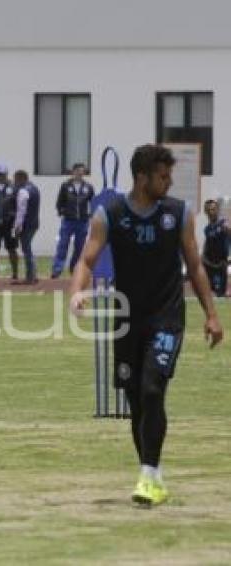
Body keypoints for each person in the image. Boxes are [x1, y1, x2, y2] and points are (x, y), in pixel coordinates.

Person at [69, 144, 222, 506]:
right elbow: (87, 260)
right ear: (142, 178)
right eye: (163, 177)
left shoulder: (178, 214)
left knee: (153, 389)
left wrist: (212, 315)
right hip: (126, 320)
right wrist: (76, 292)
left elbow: (195, 266)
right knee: (137, 400)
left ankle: (149, 475)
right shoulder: (111, 213)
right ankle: (150, 474)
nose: (169, 183)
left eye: (170, 176)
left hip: (166, 317)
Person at [53, 163, 95, 278]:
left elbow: (93, 203)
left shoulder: (88, 187)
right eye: (78, 171)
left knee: (80, 247)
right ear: (73, 172)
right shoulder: (65, 186)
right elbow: (60, 201)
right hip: (68, 221)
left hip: (82, 221)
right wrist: (61, 212)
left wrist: (91, 215)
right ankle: (57, 270)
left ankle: (74, 268)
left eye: (82, 172)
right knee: (63, 244)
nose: (80, 174)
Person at [12, 170, 41, 284]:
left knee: (26, 249)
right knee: (28, 248)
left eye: (15, 179)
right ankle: (34, 273)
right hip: (34, 223)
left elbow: (21, 211)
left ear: (21, 179)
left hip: (26, 224)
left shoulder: (23, 191)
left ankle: (30, 276)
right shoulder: (35, 188)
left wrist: (18, 226)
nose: (14, 182)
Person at [201, 199, 231, 297]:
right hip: (208, 264)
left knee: (220, 294)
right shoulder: (207, 229)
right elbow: (207, 244)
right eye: (209, 210)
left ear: (217, 210)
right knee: (207, 291)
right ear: (206, 212)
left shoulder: (223, 223)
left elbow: (229, 231)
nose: (211, 212)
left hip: (220, 264)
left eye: (213, 209)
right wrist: (202, 257)